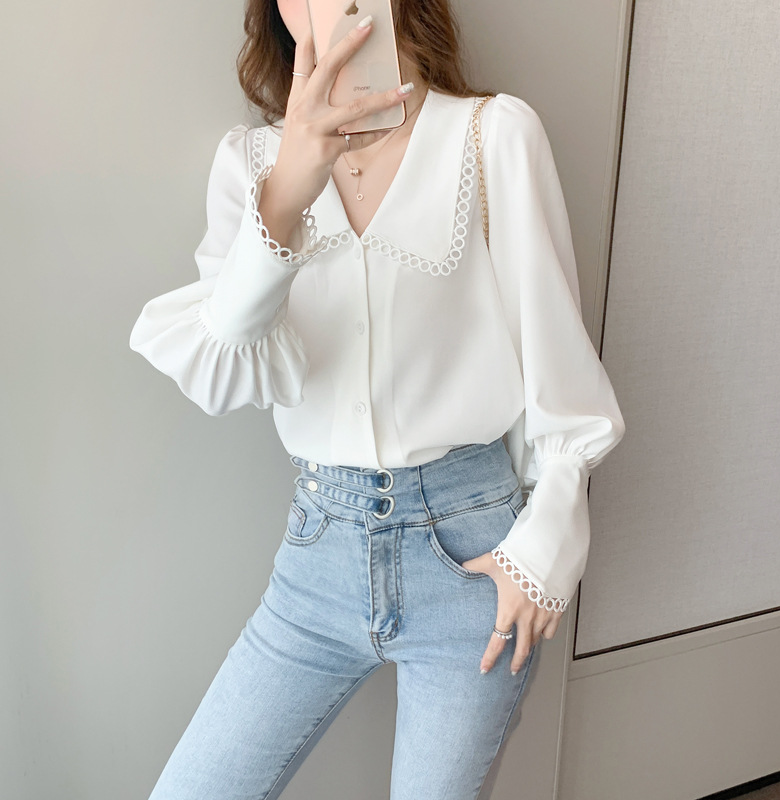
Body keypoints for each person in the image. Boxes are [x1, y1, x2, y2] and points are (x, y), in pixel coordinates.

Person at [129, 0, 626, 797]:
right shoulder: (249, 164)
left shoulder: (492, 135)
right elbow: (224, 367)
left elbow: (563, 377)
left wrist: (543, 557)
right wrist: (287, 191)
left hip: (470, 556)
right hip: (316, 561)